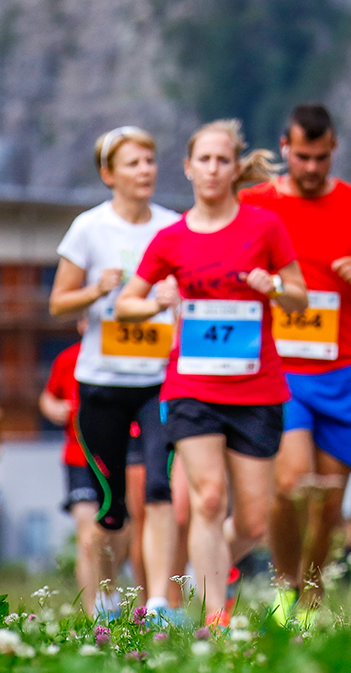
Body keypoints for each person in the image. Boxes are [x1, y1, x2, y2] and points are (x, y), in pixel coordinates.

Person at [115, 119, 308, 626]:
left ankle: (204, 565)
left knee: (251, 519)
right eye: (204, 159)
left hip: (256, 387)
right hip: (192, 386)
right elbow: (127, 304)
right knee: (207, 497)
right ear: (188, 167)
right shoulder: (170, 237)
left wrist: (273, 288)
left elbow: (299, 296)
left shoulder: (264, 227)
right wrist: (156, 299)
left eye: (223, 160)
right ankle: (216, 620)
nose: (213, 169)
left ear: (235, 167)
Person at [242, 103, 351, 619]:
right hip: (279, 367)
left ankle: (311, 599)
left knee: (330, 499)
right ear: (285, 148)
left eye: (320, 157)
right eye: (301, 157)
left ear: (333, 149)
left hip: (341, 369)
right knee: (291, 483)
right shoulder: (254, 203)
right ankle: (284, 589)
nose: (311, 168)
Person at [49, 127, 181, 621]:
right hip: (103, 382)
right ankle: (104, 606)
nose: (145, 170)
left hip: (160, 380)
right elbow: (58, 303)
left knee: (160, 491)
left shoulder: (173, 226)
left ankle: (161, 602)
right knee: (111, 509)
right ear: (108, 174)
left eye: (150, 160)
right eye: (132, 163)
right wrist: (95, 291)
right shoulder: (89, 228)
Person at [40, 317, 101, 613]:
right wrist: (56, 409)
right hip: (78, 458)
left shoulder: (121, 358)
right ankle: (94, 613)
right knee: (88, 534)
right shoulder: (67, 359)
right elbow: (47, 398)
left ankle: (114, 597)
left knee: (117, 535)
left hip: (121, 458)